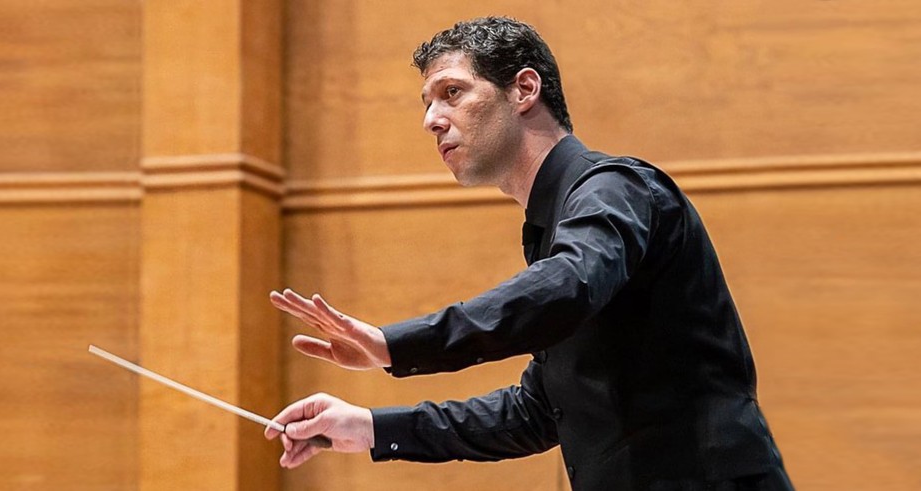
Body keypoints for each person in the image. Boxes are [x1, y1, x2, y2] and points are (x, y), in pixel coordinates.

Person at [264, 16, 793, 491]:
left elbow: (569, 285)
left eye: (451, 92)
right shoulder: (552, 230)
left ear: (523, 89)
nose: (431, 119)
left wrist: (394, 345)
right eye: (427, 103)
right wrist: (369, 428)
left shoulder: (615, 188)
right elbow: (540, 411)